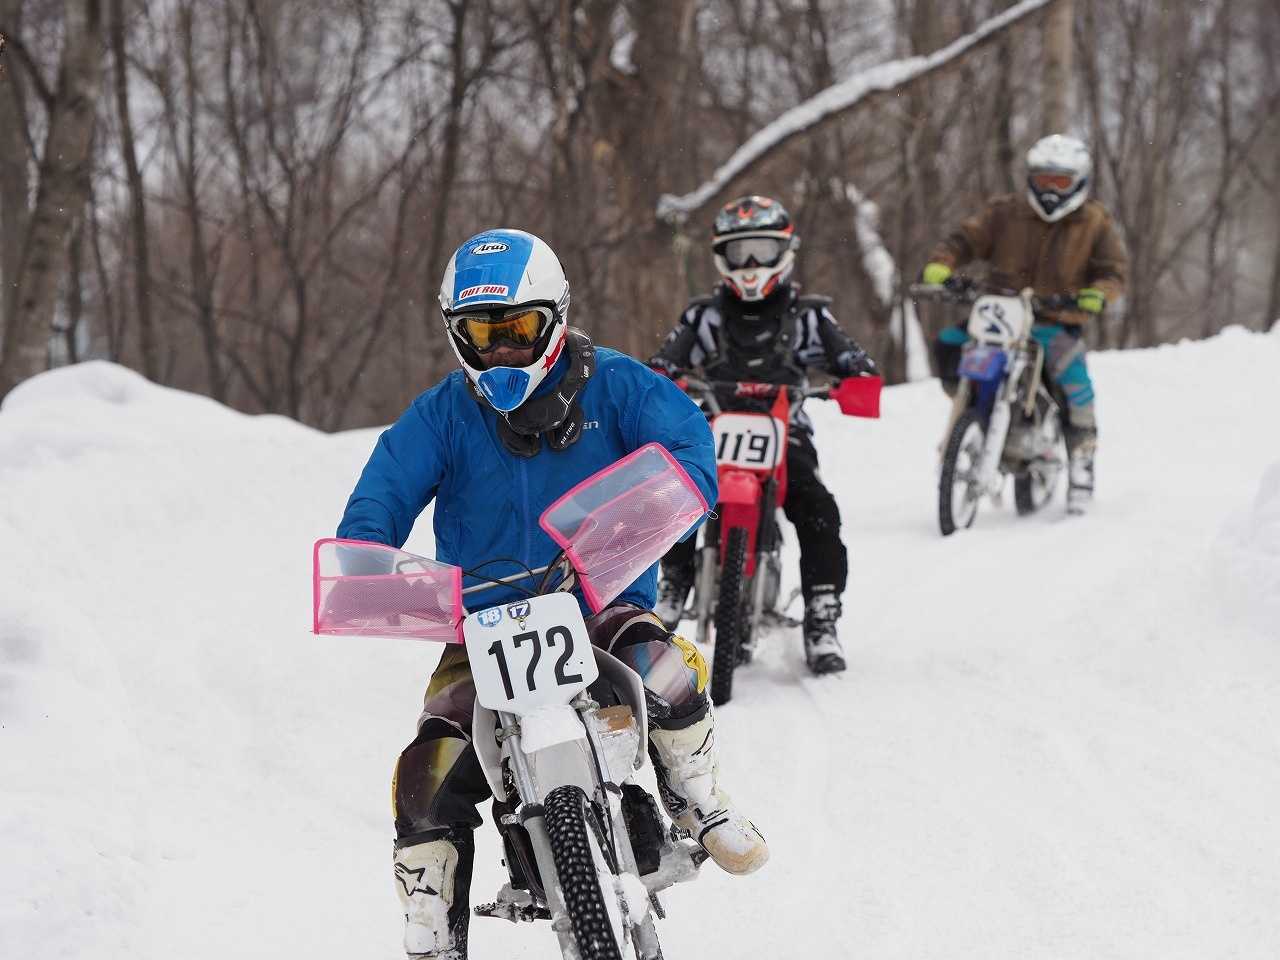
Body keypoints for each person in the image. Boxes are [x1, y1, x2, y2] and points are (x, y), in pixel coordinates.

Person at [335, 229, 768, 960]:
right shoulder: (442, 413)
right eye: (482, 335)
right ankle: (431, 920)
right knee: (425, 772)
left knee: (665, 670)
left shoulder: (619, 385)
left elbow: (690, 447)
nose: (502, 351)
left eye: (519, 330)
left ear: (556, 317)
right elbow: (379, 496)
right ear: (457, 334)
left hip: (601, 601)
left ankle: (698, 796)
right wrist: (370, 557)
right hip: (479, 626)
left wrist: (636, 518)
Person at [648, 195, 878, 675]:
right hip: (713, 425)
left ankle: (822, 613)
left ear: (785, 251)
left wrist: (853, 377)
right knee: (674, 495)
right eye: (740, 253)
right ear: (722, 257)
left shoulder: (809, 315)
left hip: (787, 429)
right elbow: (663, 364)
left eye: (761, 251)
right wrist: (664, 376)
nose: (751, 265)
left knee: (817, 507)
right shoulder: (704, 316)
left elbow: (854, 361)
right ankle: (673, 582)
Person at [920, 134, 1128, 515]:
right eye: (1044, 179)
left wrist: (1098, 293)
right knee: (948, 343)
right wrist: (941, 264)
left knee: (1075, 383)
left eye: (1060, 181)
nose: (1050, 189)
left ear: (1079, 182)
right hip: (999, 314)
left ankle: (1082, 461)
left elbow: (1113, 271)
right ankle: (972, 416)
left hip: (1055, 319)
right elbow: (964, 239)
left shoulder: (1095, 221)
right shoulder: (1005, 212)